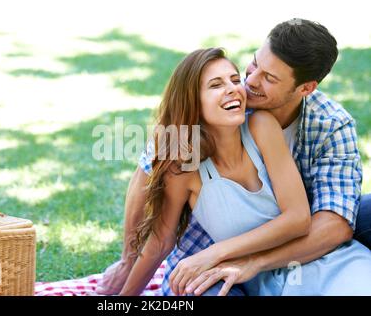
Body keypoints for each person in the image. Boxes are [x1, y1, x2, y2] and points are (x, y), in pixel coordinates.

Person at [96, 18, 371, 296]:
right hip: (212, 254)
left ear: (305, 88)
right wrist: (126, 266)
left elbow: (320, 222)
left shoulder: (301, 124)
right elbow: (153, 204)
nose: (248, 82)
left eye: (269, 78)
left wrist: (240, 258)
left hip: (303, 251)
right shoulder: (187, 149)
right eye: (253, 65)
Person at [119, 46, 314, 296]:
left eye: (235, 79)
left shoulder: (262, 126)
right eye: (215, 85)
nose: (233, 89)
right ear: (193, 102)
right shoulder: (184, 167)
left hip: (305, 263)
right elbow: (160, 241)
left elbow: (298, 219)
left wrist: (214, 252)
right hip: (246, 278)